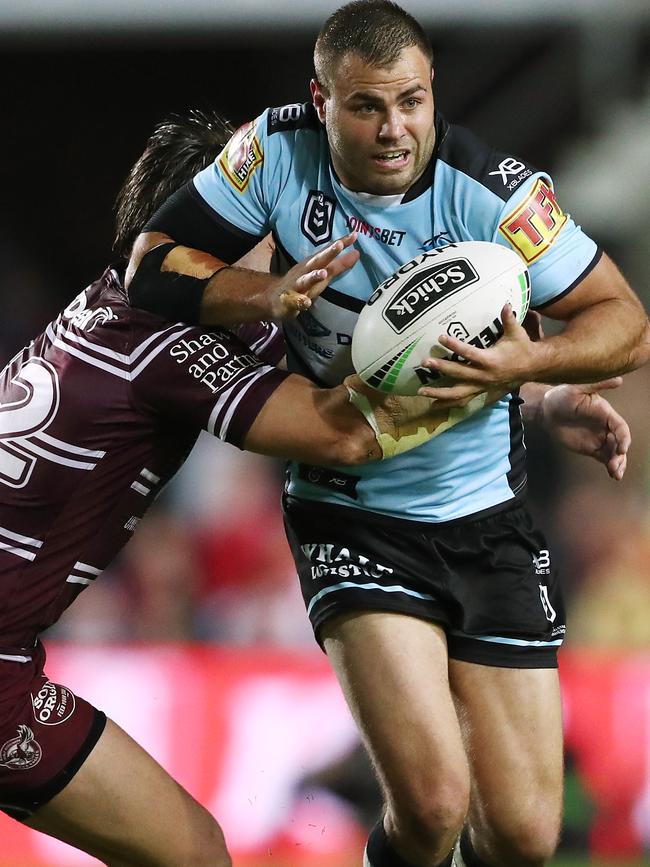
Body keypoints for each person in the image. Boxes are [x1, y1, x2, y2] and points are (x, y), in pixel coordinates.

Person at [123, 4, 650, 867]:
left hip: (488, 519)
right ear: (320, 101)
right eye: (366, 106)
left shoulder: (494, 193)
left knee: (521, 835)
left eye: (411, 100)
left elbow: (625, 321)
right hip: (352, 514)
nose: (394, 126)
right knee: (435, 804)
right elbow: (153, 263)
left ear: (434, 87)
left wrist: (530, 371)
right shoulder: (273, 156)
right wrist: (267, 294)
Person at [0, 108, 501, 867]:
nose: (285, 246)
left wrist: (549, 389)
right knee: (193, 852)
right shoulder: (171, 345)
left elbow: (322, 352)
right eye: (263, 220)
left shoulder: (114, 309)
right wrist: (491, 376)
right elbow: (345, 430)